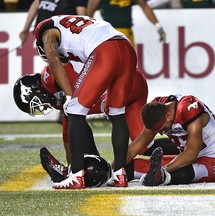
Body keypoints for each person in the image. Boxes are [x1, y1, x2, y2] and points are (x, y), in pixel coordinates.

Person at [13, 62, 179, 183]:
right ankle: (184, 149)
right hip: (132, 82)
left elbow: (71, 126)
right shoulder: (56, 93)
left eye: (36, 104)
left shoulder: (53, 75)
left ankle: (88, 167)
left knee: (73, 115)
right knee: (144, 145)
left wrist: (74, 167)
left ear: (36, 91)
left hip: (120, 82)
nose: (42, 108)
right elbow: (69, 130)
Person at [34, 14, 138, 189]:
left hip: (105, 50)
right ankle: (120, 174)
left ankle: (76, 175)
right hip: (127, 47)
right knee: (117, 112)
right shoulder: (75, 22)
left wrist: (69, 96)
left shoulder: (45, 29)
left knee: (74, 110)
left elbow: (52, 57)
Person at [126, 94, 215, 186]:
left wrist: (163, 170)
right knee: (129, 168)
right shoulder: (157, 110)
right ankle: (158, 176)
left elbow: (191, 154)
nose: (162, 133)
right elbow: (136, 146)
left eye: (162, 129)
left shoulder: (189, 110)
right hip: (183, 152)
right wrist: (115, 169)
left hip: (214, 159)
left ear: (168, 116)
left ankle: (161, 177)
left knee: (183, 174)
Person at [86, 0, 166, 46]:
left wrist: (158, 26)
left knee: (129, 66)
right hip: (110, 34)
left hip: (127, 32)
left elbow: (144, 6)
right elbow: (90, 12)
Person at [19, 0, 88, 45]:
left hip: (63, 35)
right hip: (43, 33)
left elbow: (81, 16)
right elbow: (36, 3)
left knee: (58, 62)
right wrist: (26, 29)